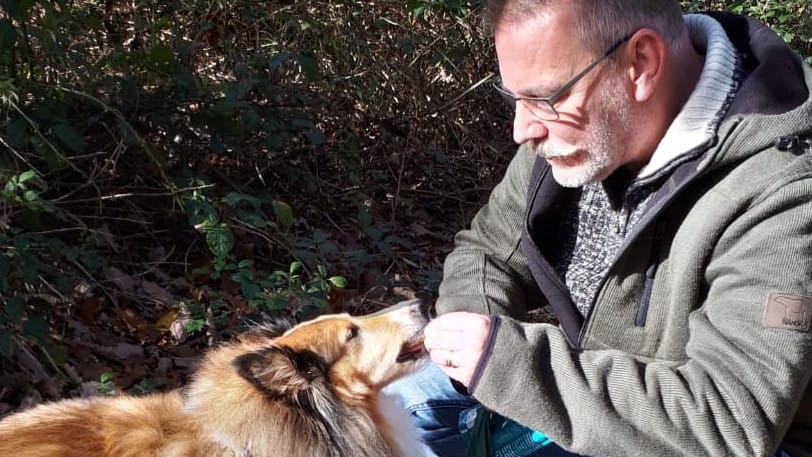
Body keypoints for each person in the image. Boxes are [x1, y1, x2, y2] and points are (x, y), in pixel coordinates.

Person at [386, 0, 812, 456]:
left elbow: (727, 424)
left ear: (641, 63)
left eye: (544, 97)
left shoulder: (783, 188)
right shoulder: (573, 139)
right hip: (586, 388)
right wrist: (478, 338)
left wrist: (509, 366)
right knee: (387, 408)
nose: (521, 129)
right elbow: (487, 250)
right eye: (514, 97)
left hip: (704, 436)